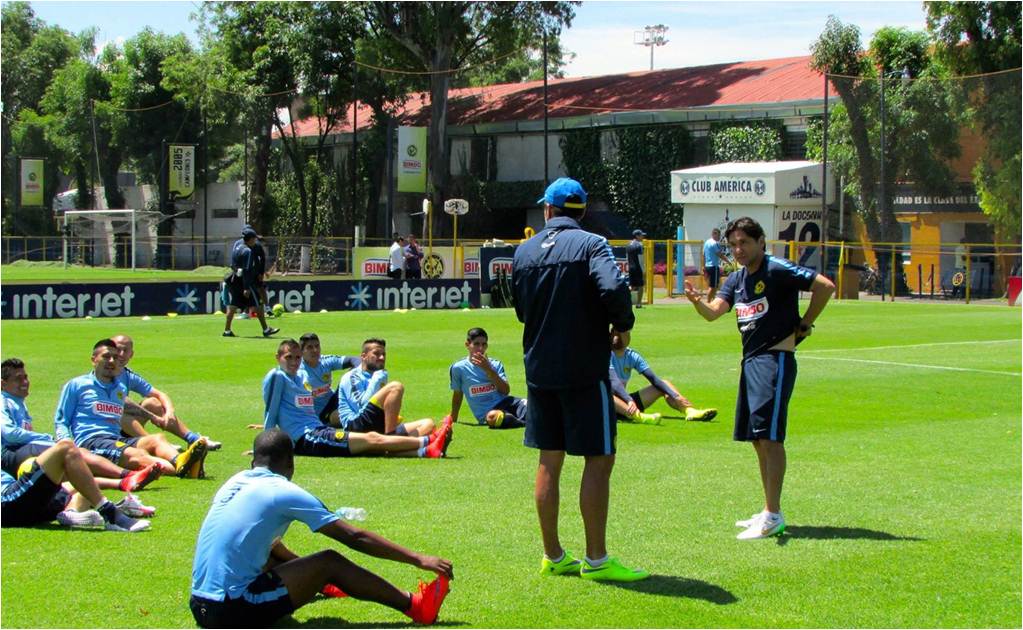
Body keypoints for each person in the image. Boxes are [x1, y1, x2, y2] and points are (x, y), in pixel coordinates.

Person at [512, 177, 648, 582]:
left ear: (549, 211)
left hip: (539, 370)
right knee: (599, 457)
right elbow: (613, 288)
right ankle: (597, 558)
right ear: (582, 212)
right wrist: (622, 325)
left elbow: (520, 310)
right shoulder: (592, 244)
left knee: (548, 460)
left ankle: (553, 555)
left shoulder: (524, 250)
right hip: (584, 369)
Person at [189, 429, 453, 629]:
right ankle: (416, 606)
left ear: (254, 460)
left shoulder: (234, 482)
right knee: (329, 561)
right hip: (229, 610)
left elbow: (272, 548)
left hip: (199, 604)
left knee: (269, 556)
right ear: (290, 463)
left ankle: (321, 587)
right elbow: (354, 536)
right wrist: (419, 559)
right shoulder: (282, 490)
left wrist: (315, 582)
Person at [683, 216, 834, 540]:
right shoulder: (736, 280)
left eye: (744, 243)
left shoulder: (776, 269)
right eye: (734, 244)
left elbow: (824, 286)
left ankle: (774, 514)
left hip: (774, 359)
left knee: (770, 436)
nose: (738, 249)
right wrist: (698, 303)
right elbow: (714, 313)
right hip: (750, 362)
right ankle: (768, 508)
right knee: (756, 438)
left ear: (760, 242)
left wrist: (805, 323)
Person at [263, 339, 451, 459]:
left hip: (319, 430)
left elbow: (302, 412)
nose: (294, 362)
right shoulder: (277, 376)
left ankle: (426, 450)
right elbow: (270, 411)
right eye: (289, 357)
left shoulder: (300, 379)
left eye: (297, 357)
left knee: (371, 444)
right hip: (307, 438)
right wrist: (264, 446)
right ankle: (429, 441)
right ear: (277, 357)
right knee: (372, 439)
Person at [54, 339, 210, 479]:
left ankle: (181, 462)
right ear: (93, 360)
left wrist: (154, 416)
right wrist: (66, 443)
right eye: (106, 356)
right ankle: (186, 467)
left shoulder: (119, 387)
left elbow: (130, 406)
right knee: (137, 454)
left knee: (157, 439)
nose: (111, 361)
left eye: (115, 358)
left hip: (116, 439)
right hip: (92, 442)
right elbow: (61, 420)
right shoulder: (77, 385)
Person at [2, 357, 160, 493]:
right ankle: (128, 475)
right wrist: (47, 437)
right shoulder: (3, 401)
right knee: (75, 453)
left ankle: (123, 482)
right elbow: (9, 433)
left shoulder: (17, 402)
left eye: (25, 377)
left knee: (68, 470)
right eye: (18, 379)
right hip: (9, 452)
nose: (25, 382)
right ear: (3, 384)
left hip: (16, 451)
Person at [1, 438, 150, 532]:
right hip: (8, 504)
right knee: (65, 448)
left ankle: (73, 512)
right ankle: (110, 513)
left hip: (26, 507)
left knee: (81, 480)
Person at [112, 335, 222, 451]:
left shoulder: (127, 375)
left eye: (125, 350)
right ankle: (156, 445)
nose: (121, 354)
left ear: (131, 354)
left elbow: (160, 395)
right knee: (120, 414)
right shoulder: (102, 374)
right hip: (105, 431)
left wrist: (169, 411)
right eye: (118, 350)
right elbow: (121, 403)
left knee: (152, 403)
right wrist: (151, 416)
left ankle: (192, 439)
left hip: (122, 429)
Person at [608, 333, 718, 423]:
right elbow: (614, 383)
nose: (617, 335)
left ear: (628, 335)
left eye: (620, 332)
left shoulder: (632, 355)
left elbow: (654, 379)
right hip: (606, 406)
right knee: (606, 393)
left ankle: (689, 411)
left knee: (664, 384)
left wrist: (675, 396)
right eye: (614, 331)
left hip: (627, 404)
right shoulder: (605, 354)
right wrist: (629, 400)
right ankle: (639, 417)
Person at [337, 339, 435, 437]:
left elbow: (378, 406)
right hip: (356, 426)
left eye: (384, 354)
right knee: (396, 387)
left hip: (376, 423)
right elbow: (361, 406)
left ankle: (393, 447)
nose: (382, 357)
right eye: (376, 353)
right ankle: (391, 440)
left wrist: (391, 417)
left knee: (428, 424)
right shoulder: (352, 377)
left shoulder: (377, 375)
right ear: (363, 356)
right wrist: (377, 379)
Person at [448, 327, 526, 429]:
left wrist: (489, 370)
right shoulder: (458, 368)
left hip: (507, 403)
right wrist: (453, 419)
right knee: (493, 417)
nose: (481, 348)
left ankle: (518, 420)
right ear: (467, 345)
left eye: (484, 344)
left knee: (533, 406)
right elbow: (457, 395)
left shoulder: (495, 364)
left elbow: (505, 391)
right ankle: (523, 422)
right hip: (489, 413)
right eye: (476, 344)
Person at [224, 227, 280, 338]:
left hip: (235, 279)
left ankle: (227, 331)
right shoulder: (248, 251)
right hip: (245, 282)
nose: (255, 241)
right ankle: (266, 329)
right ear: (250, 239)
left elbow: (233, 264)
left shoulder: (237, 245)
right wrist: (246, 287)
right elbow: (247, 270)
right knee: (258, 304)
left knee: (233, 305)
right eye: (254, 239)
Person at [296, 333, 358, 427]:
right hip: (319, 413)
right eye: (310, 347)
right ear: (301, 351)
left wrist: (358, 370)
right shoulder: (298, 371)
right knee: (351, 416)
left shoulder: (326, 361)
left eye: (317, 346)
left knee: (350, 375)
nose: (315, 350)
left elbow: (355, 360)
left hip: (333, 402)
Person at [703, 228, 730, 301]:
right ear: (714, 234)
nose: (719, 237)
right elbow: (720, 254)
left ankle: (712, 300)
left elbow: (704, 255)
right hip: (713, 267)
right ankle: (708, 302)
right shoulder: (714, 243)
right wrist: (728, 261)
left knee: (712, 285)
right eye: (719, 235)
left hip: (707, 266)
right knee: (713, 286)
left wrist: (704, 266)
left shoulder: (707, 242)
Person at [626, 229, 646, 308]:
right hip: (638, 267)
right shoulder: (639, 245)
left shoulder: (628, 245)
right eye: (641, 235)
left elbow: (627, 258)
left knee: (632, 286)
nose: (642, 237)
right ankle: (638, 303)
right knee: (640, 286)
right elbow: (640, 259)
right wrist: (643, 270)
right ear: (637, 236)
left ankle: (626, 301)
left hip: (631, 267)